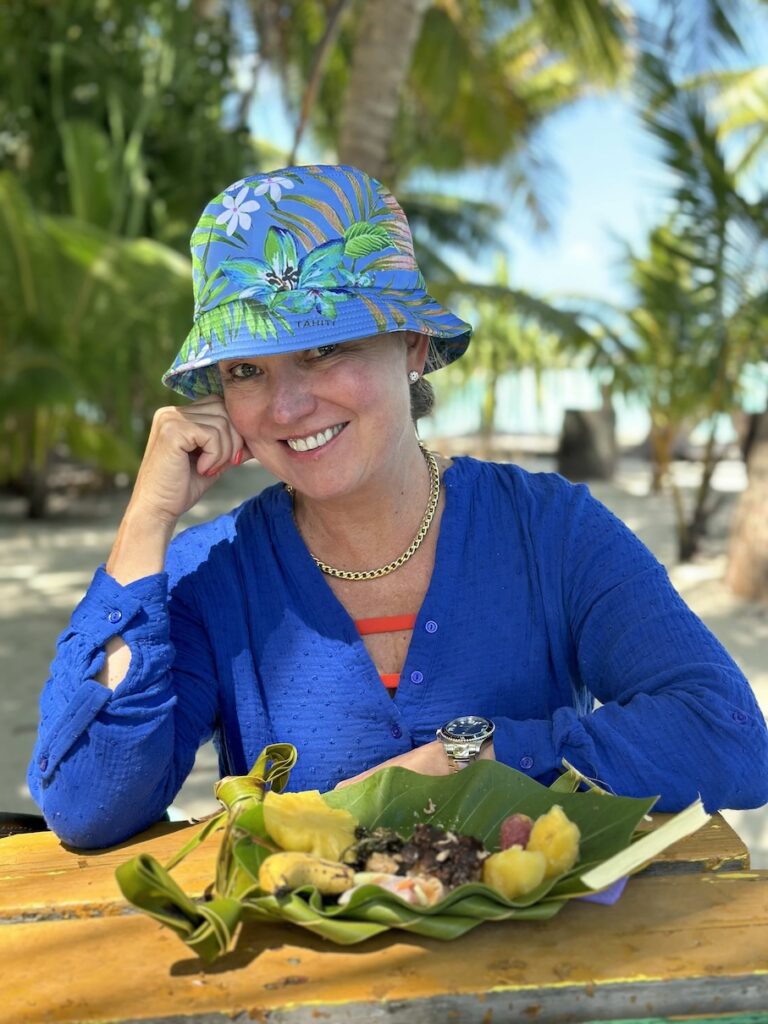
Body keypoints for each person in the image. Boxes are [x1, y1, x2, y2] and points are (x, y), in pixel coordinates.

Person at [29, 164, 768, 849]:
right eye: (248, 370)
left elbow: (729, 737)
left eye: (324, 350)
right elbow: (90, 802)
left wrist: (480, 755)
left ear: (412, 345)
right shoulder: (211, 576)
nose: (287, 405)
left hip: (550, 976)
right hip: (304, 984)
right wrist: (145, 524)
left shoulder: (550, 532)